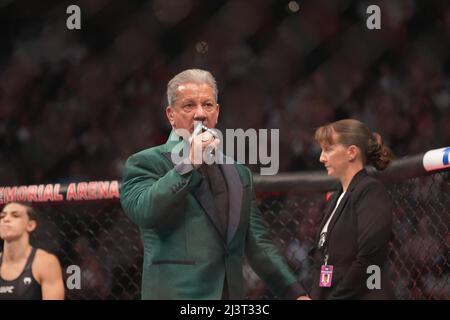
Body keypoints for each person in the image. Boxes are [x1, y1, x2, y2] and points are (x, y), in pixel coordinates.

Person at [120, 68, 309, 300]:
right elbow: (144, 211)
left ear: (217, 112)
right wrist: (189, 163)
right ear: (171, 114)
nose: (200, 113)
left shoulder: (239, 173)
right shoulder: (146, 162)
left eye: (207, 105)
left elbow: (258, 245)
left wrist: (296, 294)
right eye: (189, 105)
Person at [309, 119, 395, 299]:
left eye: (328, 149)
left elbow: (370, 258)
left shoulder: (370, 191)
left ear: (352, 152)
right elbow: (321, 258)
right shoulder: (336, 198)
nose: (322, 157)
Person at [0, 202, 65, 300]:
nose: (6, 219)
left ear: (30, 225)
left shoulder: (45, 263)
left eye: (15, 215)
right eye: (2, 216)